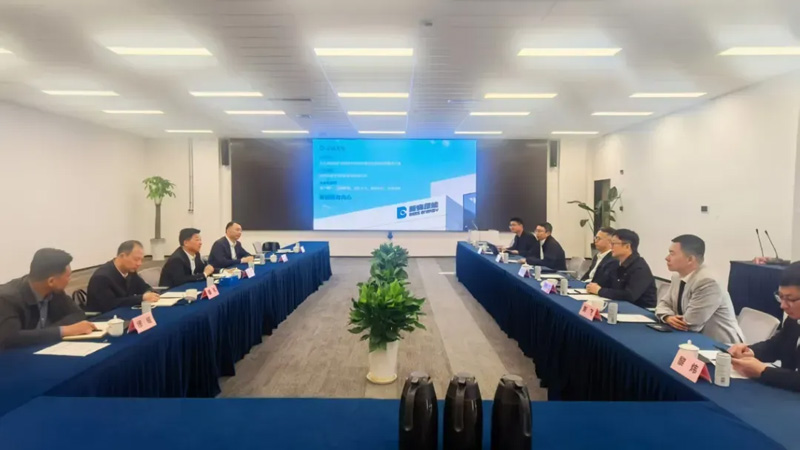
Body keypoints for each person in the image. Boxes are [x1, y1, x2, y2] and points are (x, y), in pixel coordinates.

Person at [0, 248, 96, 350]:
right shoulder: (7, 299)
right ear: (51, 281)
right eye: (68, 276)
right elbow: (10, 337)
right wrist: (63, 331)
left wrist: (48, 332)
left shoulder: (55, 291)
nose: (69, 280)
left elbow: (77, 314)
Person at [655, 235, 743, 344]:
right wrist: (667, 317)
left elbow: (690, 324)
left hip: (721, 345)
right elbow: (663, 304)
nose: (667, 258)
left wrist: (669, 317)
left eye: (672, 254)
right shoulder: (677, 276)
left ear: (690, 259)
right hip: (690, 339)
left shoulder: (708, 281)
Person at [728, 262, 800, 391]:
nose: (783, 306)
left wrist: (763, 371)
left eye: (790, 299)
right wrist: (750, 351)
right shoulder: (793, 321)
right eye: (781, 297)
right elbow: (776, 346)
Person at [586, 228, 657, 308]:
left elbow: (629, 295)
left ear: (627, 246)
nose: (611, 247)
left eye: (613, 244)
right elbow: (608, 285)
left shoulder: (640, 268)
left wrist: (600, 290)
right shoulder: (617, 264)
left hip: (640, 310)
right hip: (620, 305)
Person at [86, 240, 160, 313]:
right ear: (122, 256)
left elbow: (143, 287)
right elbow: (110, 304)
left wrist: (150, 293)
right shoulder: (101, 277)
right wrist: (141, 298)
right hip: (104, 317)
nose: (139, 263)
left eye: (141, 260)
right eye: (136, 259)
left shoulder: (130, 271)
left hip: (125, 311)